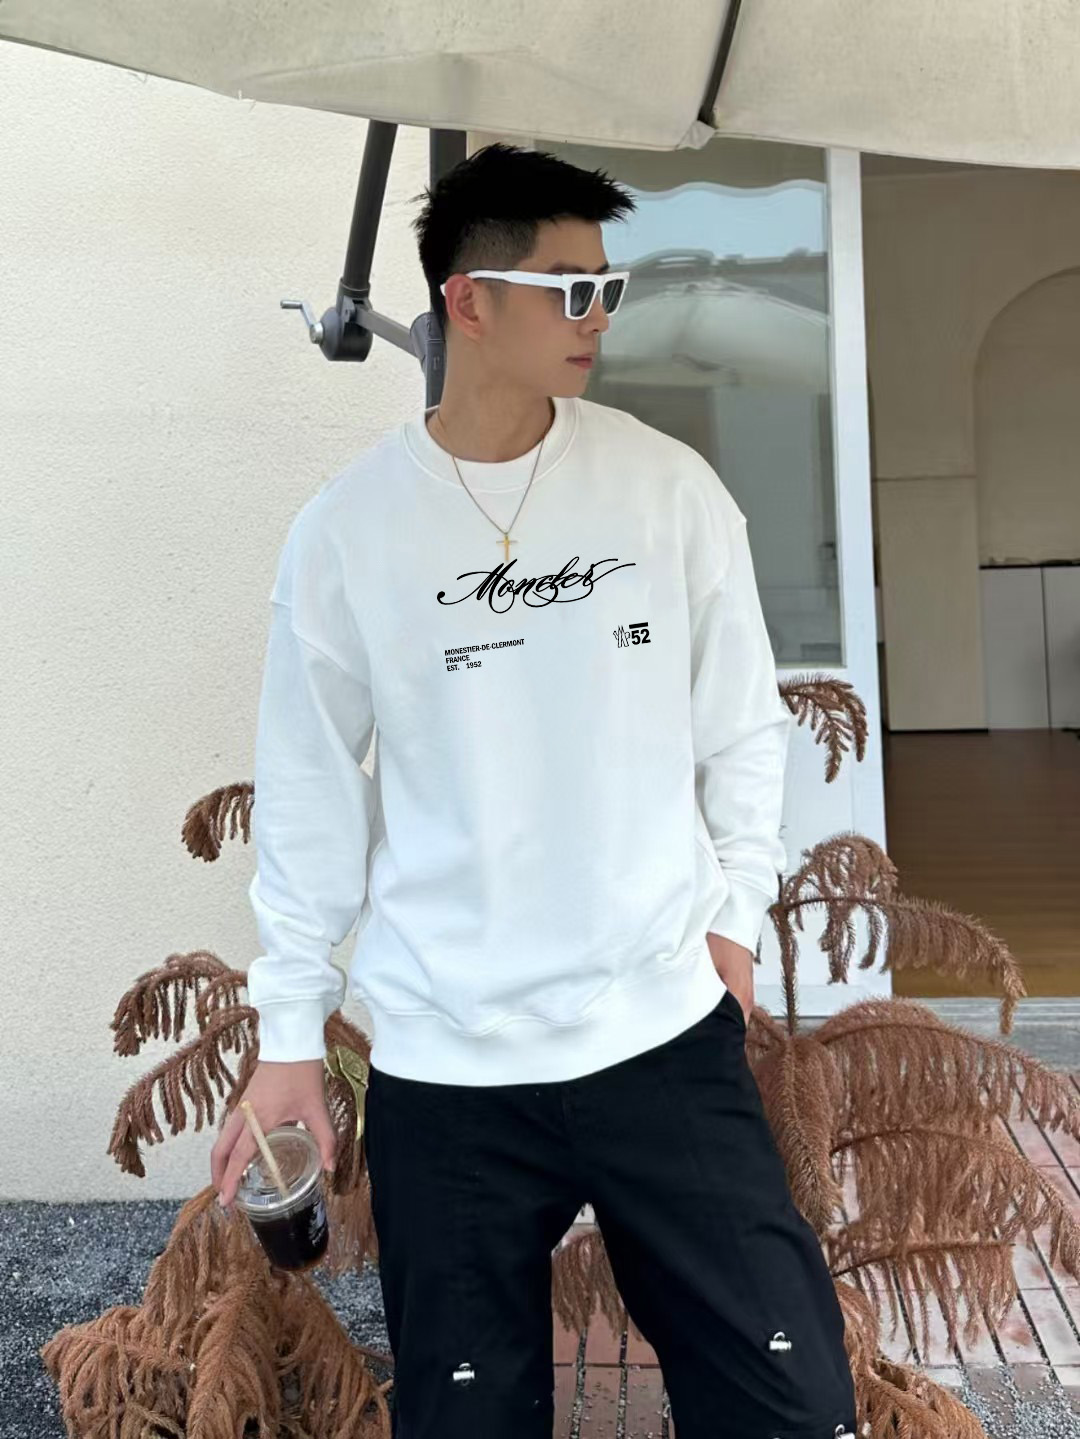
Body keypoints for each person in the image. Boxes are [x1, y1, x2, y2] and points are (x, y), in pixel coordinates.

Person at [211, 142, 857, 1439]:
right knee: (465, 1418)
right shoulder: (350, 532)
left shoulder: (666, 490)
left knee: (791, 1401)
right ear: (468, 300)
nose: (599, 316)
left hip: (660, 1029)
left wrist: (735, 912)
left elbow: (742, 728)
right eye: (570, 289)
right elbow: (311, 790)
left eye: (609, 286)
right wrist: (288, 1034)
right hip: (447, 1060)